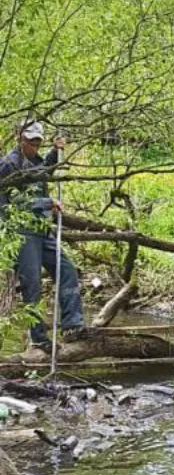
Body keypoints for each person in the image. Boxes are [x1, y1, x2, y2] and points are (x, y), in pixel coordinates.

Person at [0, 120, 85, 351]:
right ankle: (39, 337)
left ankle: (72, 323)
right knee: (33, 284)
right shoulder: (8, 165)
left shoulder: (36, 160)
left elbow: (42, 171)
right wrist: (48, 202)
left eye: (38, 143)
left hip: (42, 230)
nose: (35, 147)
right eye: (31, 142)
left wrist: (55, 152)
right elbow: (13, 203)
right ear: (20, 139)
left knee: (66, 269)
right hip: (22, 233)